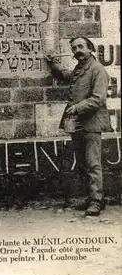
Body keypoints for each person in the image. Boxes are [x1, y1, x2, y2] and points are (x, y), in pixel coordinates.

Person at [45, 37, 113, 217]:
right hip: (77, 125)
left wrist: (77, 107)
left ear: (90, 48)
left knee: (92, 164)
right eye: (74, 48)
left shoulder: (98, 70)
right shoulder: (79, 68)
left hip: (91, 124)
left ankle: (97, 201)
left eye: (81, 46)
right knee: (82, 164)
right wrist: (53, 64)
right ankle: (92, 198)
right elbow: (65, 76)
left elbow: (99, 99)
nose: (77, 50)